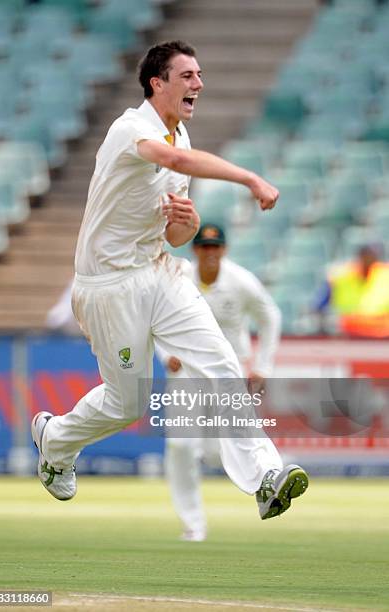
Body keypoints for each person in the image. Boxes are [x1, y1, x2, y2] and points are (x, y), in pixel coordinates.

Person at [31, 40, 308, 521]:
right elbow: (175, 163)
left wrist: (187, 218)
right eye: (187, 76)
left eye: (200, 75)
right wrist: (250, 179)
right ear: (157, 83)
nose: (198, 84)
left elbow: (177, 232)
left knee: (222, 362)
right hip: (108, 285)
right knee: (127, 403)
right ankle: (54, 442)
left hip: (159, 272)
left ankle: (264, 477)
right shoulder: (130, 128)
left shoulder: (181, 141)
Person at [157, 223, 282, 541]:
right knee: (182, 446)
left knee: (225, 446)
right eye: (204, 247)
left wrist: (263, 366)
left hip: (228, 371)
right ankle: (193, 523)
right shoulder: (179, 278)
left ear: (223, 250)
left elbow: (270, 316)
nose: (210, 253)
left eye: (215, 247)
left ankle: (269, 479)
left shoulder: (240, 281)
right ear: (195, 249)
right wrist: (165, 353)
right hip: (187, 372)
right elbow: (154, 318)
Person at [315, 243, 389, 337]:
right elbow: (319, 307)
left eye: (371, 257)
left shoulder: (385, 275)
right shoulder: (340, 276)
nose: (368, 261)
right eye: (365, 256)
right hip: (348, 335)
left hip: (383, 335)